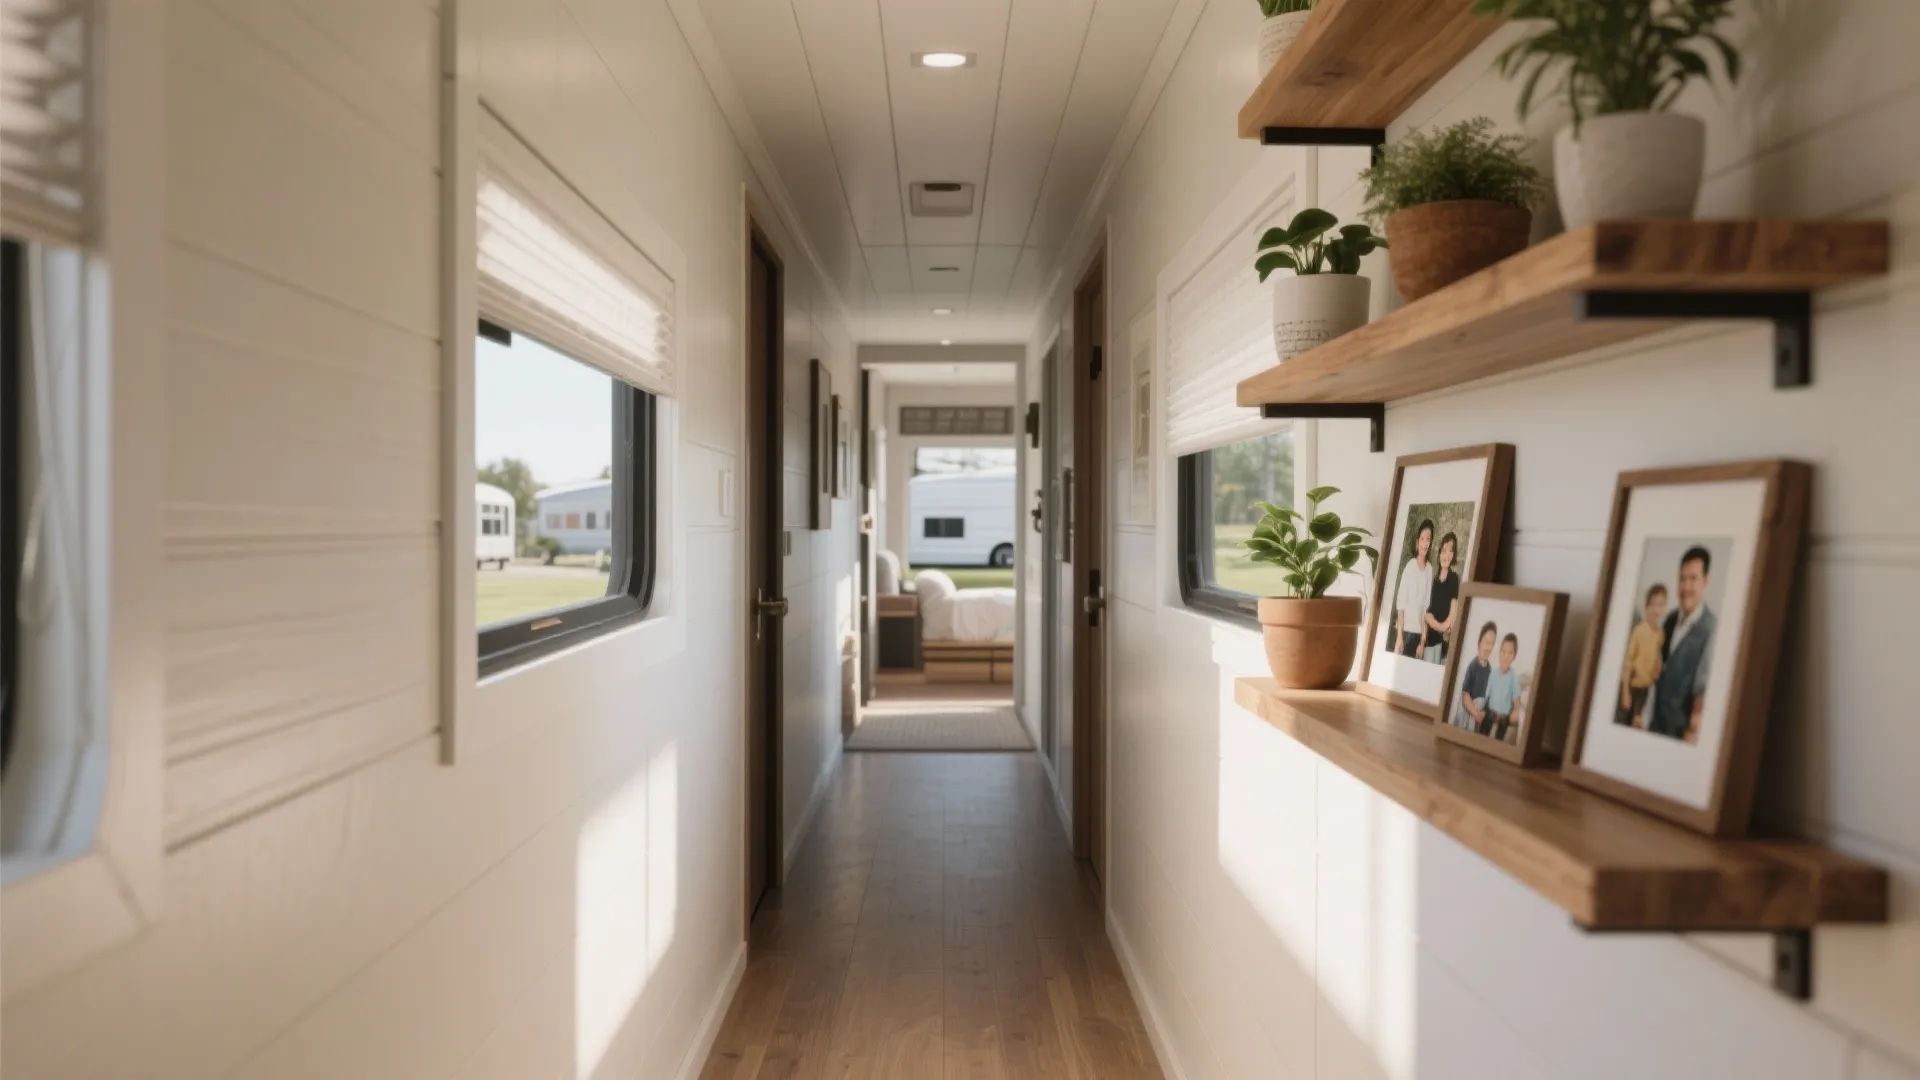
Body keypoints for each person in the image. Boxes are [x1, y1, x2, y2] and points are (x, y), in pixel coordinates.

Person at [1651, 546, 1717, 742]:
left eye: (1693, 578)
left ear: (1705, 581)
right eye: (1682, 578)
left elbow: (1702, 694)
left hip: (1679, 739)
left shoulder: (1711, 630)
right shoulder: (1669, 619)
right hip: (1653, 730)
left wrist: (1691, 735)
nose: (1686, 587)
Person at [1615, 583, 1668, 728]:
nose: (1656, 609)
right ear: (1647, 607)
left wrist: (1658, 667)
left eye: (1661, 605)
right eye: (1653, 605)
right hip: (1631, 686)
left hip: (1646, 690)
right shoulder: (1639, 631)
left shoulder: (1660, 633)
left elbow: (1657, 654)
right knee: (1622, 721)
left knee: (1637, 724)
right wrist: (1625, 691)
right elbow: (1628, 662)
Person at [1392, 519, 1435, 658]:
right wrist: (1399, 637)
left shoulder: (1430, 569)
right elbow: (1401, 603)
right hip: (1404, 632)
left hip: (1418, 636)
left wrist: (1422, 642)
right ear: (1417, 541)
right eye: (1422, 538)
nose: (1425, 543)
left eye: (1428, 539)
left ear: (1431, 542)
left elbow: (1425, 608)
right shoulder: (1410, 566)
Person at [1421, 532, 1460, 664]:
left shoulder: (1454, 579)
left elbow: (1453, 614)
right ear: (1439, 554)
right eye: (1444, 551)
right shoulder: (1433, 581)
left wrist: (1440, 627)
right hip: (1428, 640)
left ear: (1453, 556)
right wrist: (1434, 623)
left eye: (1451, 551)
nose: (1446, 555)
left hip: (1443, 643)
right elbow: (1426, 614)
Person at [1453, 621, 1497, 731]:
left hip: (1478, 714)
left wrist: (1483, 712)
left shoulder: (1489, 670)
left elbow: (1487, 695)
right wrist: (1475, 713)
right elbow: (1465, 695)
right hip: (1468, 713)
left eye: (1492, 644)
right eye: (1487, 642)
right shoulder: (1473, 666)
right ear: (1479, 642)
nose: (1489, 647)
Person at [1481, 633, 1522, 742]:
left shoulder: (1513, 677)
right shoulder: (1493, 673)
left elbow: (1517, 704)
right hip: (1490, 712)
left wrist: (1514, 713)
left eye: (1510, 653)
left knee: (1500, 732)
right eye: (1503, 651)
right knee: (1485, 723)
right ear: (1499, 653)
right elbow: (1487, 696)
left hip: (1504, 717)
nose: (1505, 656)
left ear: (1514, 657)